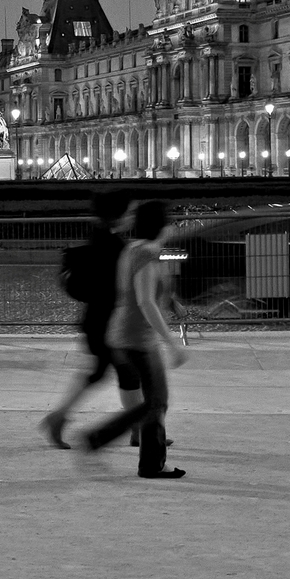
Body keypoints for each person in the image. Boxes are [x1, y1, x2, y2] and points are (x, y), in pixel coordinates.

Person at [79, 200, 188, 478]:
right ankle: (102, 439)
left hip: (122, 334)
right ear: (162, 226)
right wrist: (172, 343)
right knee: (156, 401)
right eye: (170, 220)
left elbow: (137, 292)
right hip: (137, 339)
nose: (173, 225)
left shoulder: (133, 249)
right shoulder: (147, 256)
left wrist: (171, 301)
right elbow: (145, 302)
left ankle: (148, 461)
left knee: (152, 402)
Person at [39, 190, 134, 448]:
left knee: (111, 373)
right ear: (118, 215)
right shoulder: (113, 245)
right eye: (129, 212)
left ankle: (139, 428)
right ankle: (140, 428)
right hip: (107, 321)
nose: (132, 216)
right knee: (117, 373)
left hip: (99, 319)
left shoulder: (103, 237)